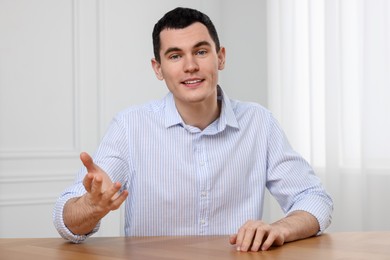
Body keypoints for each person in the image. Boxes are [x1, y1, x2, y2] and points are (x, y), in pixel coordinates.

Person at [53, 7, 333, 252]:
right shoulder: (129, 127)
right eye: (175, 56)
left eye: (201, 52)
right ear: (158, 68)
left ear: (220, 57)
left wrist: (282, 228)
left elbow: (314, 198)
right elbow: (64, 219)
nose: (190, 66)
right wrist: (92, 207)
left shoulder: (260, 123)